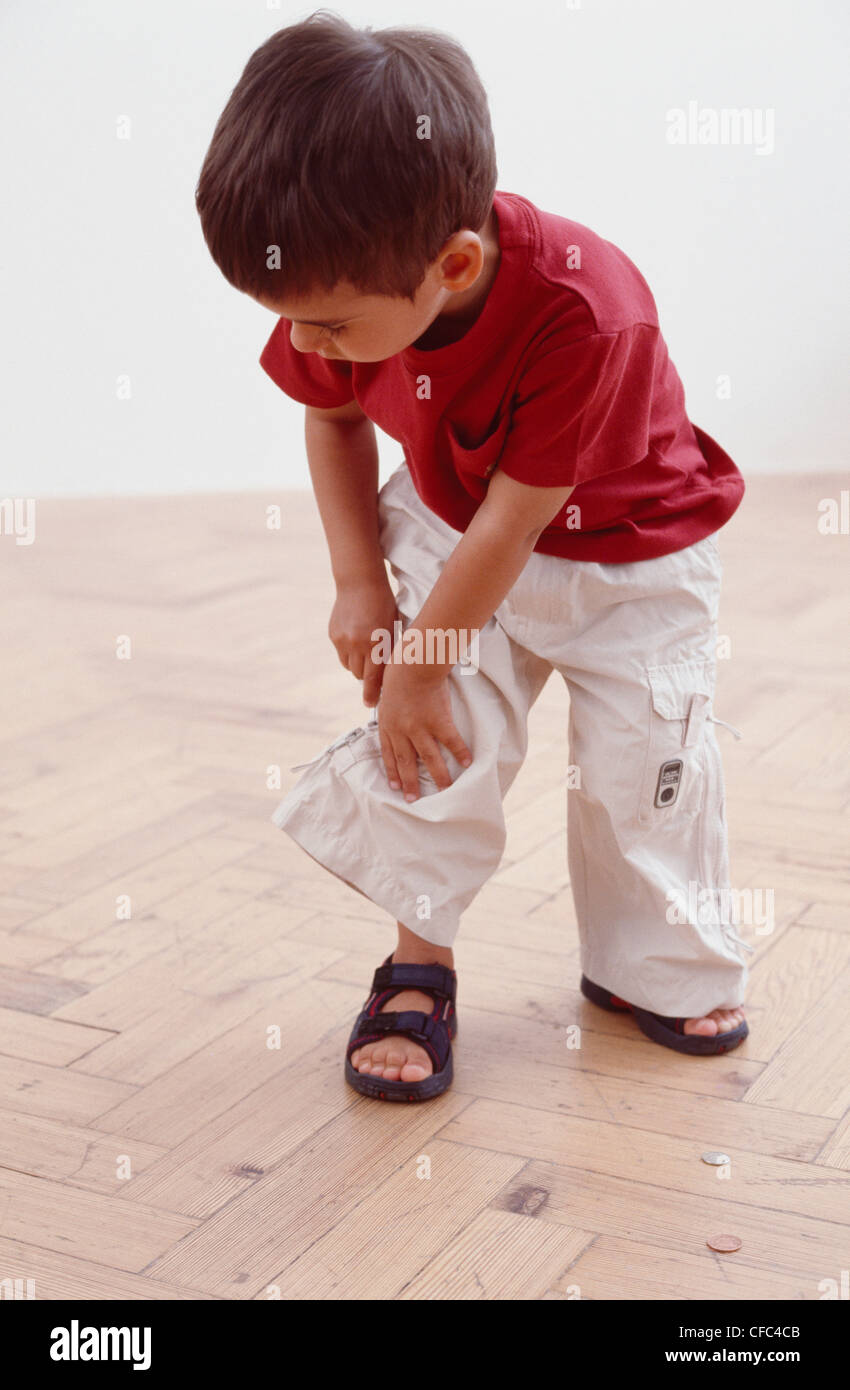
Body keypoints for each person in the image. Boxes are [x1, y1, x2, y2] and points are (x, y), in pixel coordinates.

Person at [195, 12, 752, 1103]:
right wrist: (359, 579)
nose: (307, 345)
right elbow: (335, 417)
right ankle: (418, 964)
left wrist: (414, 660)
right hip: (463, 531)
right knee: (433, 744)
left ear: (451, 265)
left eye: (331, 326)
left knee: (650, 771)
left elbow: (519, 521)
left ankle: (653, 970)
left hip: (628, 558)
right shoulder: (337, 297)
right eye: (290, 320)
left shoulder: (589, 312)